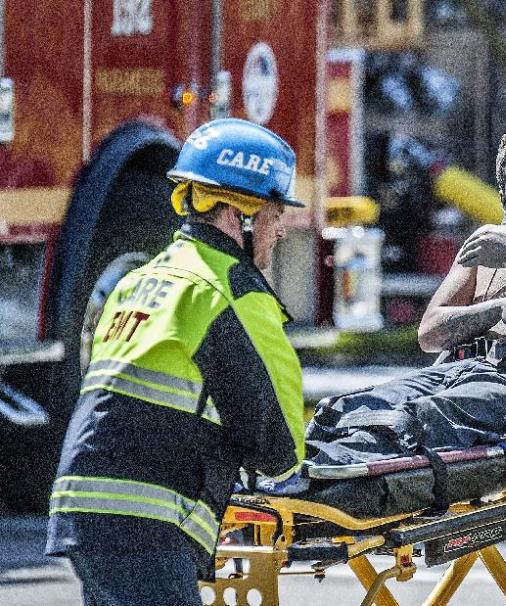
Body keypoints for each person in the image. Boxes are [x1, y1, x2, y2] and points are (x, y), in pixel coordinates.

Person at [46, 118, 306, 606]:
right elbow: (279, 447)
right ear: (240, 216)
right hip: (145, 523)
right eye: (275, 212)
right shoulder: (232, 293)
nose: (282, 227)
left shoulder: (139, 281)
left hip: (84, 507)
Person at [306, 126, 506, 465]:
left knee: (410, 422)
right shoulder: (490, 238)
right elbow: (430, 334)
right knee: (342, 409)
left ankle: (323, 484)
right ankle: (293, 480)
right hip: (465, 371)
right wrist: (496, 310)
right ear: (504, 199)